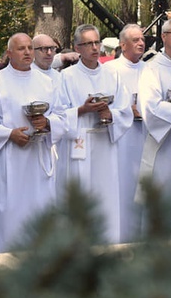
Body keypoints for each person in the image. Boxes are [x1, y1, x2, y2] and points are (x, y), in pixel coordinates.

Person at [0, 33, 67, 253]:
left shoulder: (47, 82)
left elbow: (63, 118)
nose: (27, 52)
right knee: (8, 215)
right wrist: (9, 134)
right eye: (21, 48)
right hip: (8, 159)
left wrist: (46, 123)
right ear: (9, 53)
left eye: (29, 48)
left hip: (38, 158)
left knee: (40, 209)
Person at [57, 24, 132, 243]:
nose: (94, 47)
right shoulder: (67, 77)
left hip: (104, 143)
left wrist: (109, 114)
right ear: (77, 48)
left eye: (97, 42)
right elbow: (59, 113)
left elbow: (125, 110)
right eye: (88, 43)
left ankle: (106, 244)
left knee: (105, 195)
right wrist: (82, 110)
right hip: (78, 142)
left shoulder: (113, 74)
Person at [138, 18, 171, 205]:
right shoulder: (152, 68)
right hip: (165, 143)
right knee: (163, 196)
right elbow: (150, 106)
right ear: (163, 36)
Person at [104, 24, 147, 240]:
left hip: (147, 137)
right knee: (123, 191)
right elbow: (104, 107)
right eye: (135, 40)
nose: (141, 43)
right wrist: (126, 111)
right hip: (121, 139)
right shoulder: (110, 71)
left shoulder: (150, 69)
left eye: (142, 39)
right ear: (123, 45)